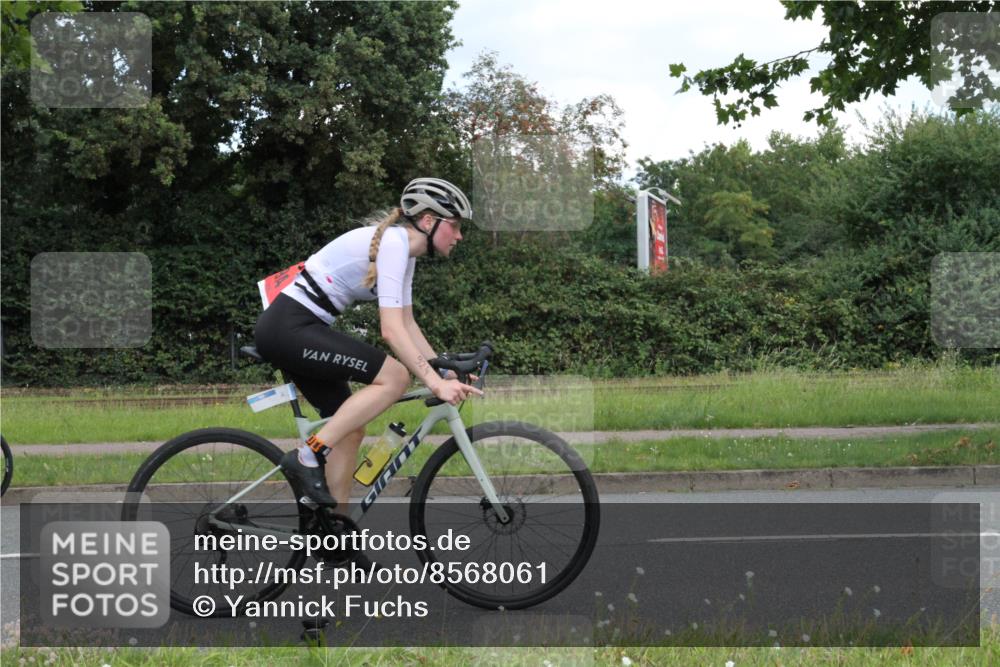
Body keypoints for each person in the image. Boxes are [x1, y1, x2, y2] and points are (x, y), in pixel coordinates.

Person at [254, 178, 483, 510]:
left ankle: (336, 534)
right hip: (287, 327)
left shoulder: (404, 253)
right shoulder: (394, 245)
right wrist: (432, 383)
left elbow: (407, 323)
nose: (460, 235)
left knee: (348, 431)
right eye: (455, 225)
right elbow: (390, 330)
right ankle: (306, 457)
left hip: (301, 328)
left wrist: (442, 371)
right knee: (395, 377)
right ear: (429, 222)